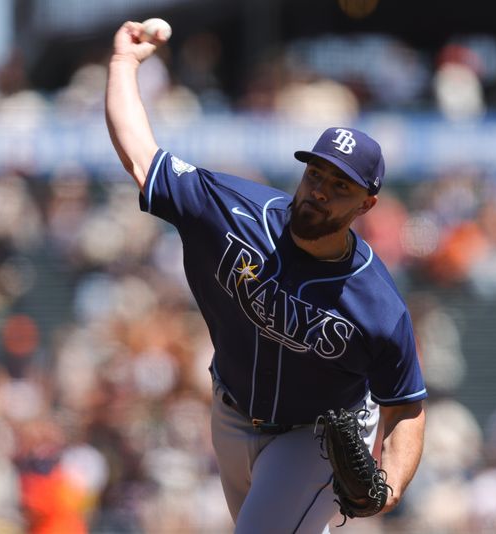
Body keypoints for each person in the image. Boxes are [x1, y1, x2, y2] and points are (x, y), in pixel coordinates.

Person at [105, 21, 427, 533]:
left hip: (319, 437)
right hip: (230, 414)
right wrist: (124, 65)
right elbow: (142, 158)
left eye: (338, 185)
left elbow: (405, 406)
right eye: (315, 173)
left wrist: (390, 483)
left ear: (366, 203)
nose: (319, 190)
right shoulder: (236, 214)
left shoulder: (377, 303)